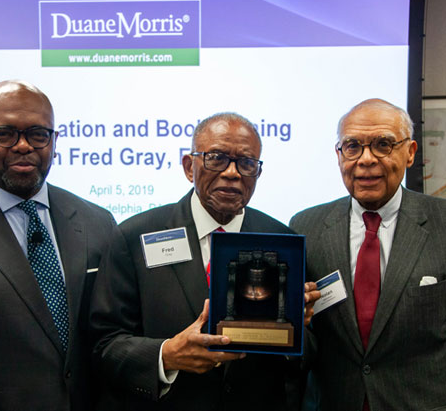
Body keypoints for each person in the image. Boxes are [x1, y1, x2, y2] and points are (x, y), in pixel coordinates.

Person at [91, 112, 320, 411]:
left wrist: (295, 329)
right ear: (189, 167)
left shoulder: (282, 241)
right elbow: (104, 344)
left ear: (257, 173)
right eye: (217, 158)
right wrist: (165, 356)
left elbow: (308, 356)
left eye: (246, 163)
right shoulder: (136, 236)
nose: (232, 173)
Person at [0, 80, 117, 411]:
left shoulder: (98, 223)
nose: (23, 146)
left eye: (38, 134)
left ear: (53, 142)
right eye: (5, 134)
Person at [290, 98, 446, 411]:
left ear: (410, 152)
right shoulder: (306, 226)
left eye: (382, 145)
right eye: (352, 146)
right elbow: (304, 345)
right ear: (339, 155)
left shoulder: (442, 222)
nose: (365, 159)